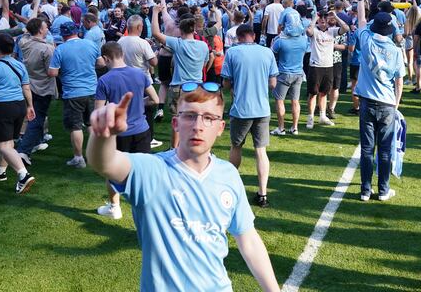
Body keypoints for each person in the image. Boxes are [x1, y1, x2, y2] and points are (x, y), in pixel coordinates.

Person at [85, 84, 280, 291]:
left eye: (209, 118)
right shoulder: (152, 170)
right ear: (176, 123)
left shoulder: (228, 174)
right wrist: (103, 136)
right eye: (189, 116)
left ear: (221, 127)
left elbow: (248, 240)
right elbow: (104, 163)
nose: (198, 125)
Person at [94, 42, 159, 219]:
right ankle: (148, 207)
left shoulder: (104, 80)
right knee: (143, 172)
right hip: (142, 131)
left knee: (112, 171)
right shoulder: (139, 74)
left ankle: (115, 207)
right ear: (122, 54)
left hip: (119, 134)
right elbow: (155, 99)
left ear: (106, 58)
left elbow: (99, 112)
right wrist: (138, 102)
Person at [354, 0, 404, 201]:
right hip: (386, 103)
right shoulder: (395, 51)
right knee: (384, 150)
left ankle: (366, 190)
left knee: (367, 149)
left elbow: (361, 19)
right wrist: (397, 103)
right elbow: (399, 80)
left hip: (367, 101)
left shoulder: (366, 40)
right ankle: (383, 190)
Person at [221, 24, 279, 208]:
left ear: (238, 37)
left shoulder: (232, 53)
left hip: (241, 109)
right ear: (253, 35)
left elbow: (226, 83)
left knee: (236, 146)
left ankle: (231, 185)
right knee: (261, 151)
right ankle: (262, 193)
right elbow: (272, 83)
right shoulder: (267, 52)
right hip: (262, 109)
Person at [0, 33, 36, 194]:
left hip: (1, 107)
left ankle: (23, 175)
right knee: (8, 142)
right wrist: (30, 106)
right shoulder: (19, 65)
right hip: (19, 106)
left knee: (3, 145)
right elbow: (26, 87)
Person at [49, 21, 105, 168]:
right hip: (92, 90)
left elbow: (52, 72)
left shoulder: (60, 49)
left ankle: (78, 158)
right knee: (91, 123)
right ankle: (96, 155)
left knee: (75, 126)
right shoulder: (90, 45)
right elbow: (101, 64)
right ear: (77, 31)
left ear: (63, 34)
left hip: (72, 92)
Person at [151, 5, 209, 148]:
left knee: (178, 119)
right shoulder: (203, 46)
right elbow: (205, 64)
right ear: (194, 29)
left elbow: (155, 33)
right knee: (197, 119)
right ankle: (197, 146)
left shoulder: (178, 43)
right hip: (197, 87)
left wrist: (155, 12)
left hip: (179, 87)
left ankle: (174, 148)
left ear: (180, 31)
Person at [15, 18, 57, 163]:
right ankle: (23, 150)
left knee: (33, 115)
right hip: (43, 88)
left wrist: (36, 5)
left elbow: (28, 30)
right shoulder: (47, 48)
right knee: (37, 119)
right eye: (45, 27)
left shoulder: (24, 42)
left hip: (27, 85)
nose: (47, 29)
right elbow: (51, 72)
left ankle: (36, 142)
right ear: (40, 30)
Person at [119, 15, 161, 148]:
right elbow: (153, 63)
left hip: (124, 80)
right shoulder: (143, 43)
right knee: (147, 110)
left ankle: (128, 134)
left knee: (128, 108)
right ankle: (149, 138)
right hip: (142, 81)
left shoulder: (120, 41)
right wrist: (157, 53)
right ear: (139, 27)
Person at [305, 10, 349, 128]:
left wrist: (335, 16)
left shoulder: (332, 31)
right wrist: (315, 18)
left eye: (325, 17)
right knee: (313, 93)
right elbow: (308, 31)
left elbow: (346, 28)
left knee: (324, 93)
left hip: (329, 66)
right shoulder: (314, 31)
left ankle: (323, 116)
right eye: (321, 18)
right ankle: (310, 118)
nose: (323, 20)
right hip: (315, 66)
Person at [270, 27, 308, 135]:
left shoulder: (280, 41)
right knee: (295, 101)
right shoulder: (303, 40)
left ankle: (281, 128)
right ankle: (295, 128)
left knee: (279, 100)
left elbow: (271, 53)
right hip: (298, 73)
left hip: (284, 73)